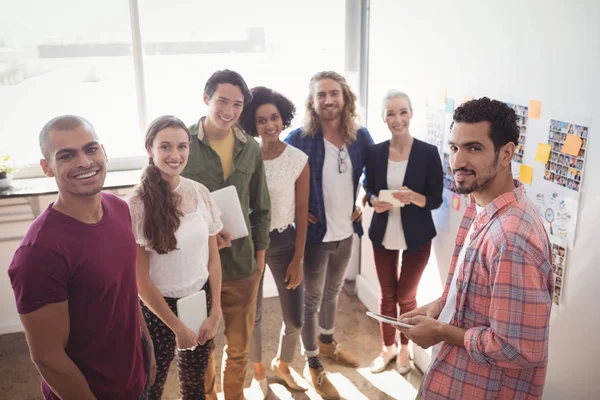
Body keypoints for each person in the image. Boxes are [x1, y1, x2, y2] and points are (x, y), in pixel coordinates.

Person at [396, 98, 554, 399]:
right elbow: (473, 291)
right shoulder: (478, 208)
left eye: (474, 148)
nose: (457, 162)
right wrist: (441, 306)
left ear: (506, 153)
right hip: (454, 375)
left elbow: (519, 349)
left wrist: (442, 331)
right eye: (454, 148)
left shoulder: (511, 239)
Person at [8, 115, 154, 400]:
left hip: (135, 379)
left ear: (104, 151)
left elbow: (125, 290)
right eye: (66, 155)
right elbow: (48, 357)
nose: (85, 162)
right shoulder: (39, 253)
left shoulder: (118, 208)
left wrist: (146, 349)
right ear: (47, 167)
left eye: (90, 149)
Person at [181, 69, 270, 400]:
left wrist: (259, 262)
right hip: (195, 271)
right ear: (206, 98)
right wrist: (203, 235)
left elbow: (261, 208)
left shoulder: (251, 149)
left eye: (237, 104)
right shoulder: (181, 144)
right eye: (222, 101)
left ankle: (235, 395)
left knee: (239, 346)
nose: (230, 111)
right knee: (202, 347)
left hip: (241, 266)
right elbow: (167, 208)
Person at [285, 70, 374, 399]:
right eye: (320, 95)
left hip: (345, 232)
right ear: (312, 101)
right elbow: (280, 178)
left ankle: (327, 343)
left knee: (333, 293)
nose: (327, 100)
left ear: (345, 97)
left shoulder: (359, 136)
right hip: (314, 236)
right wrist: (297, 209)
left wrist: (363, 200)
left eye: (333, 93)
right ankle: (312, 361)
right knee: (311, 300)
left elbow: (370, 173)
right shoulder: (299, 138)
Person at [126, 116, 223, 399]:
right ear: (150, 149)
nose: (175, 155)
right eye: (166, 147)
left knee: (194, 384)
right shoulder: (136, 205)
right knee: (152, 384)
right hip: (158, 309)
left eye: (182, 146)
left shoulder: (200, 192)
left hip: (200, 300)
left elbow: (213, 260)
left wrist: (215, 310)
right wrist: (176, 326)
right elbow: (140, 280)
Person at [363, 90, 443, 374]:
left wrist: (415, 197)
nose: (397, 119)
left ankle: (405, 350)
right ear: (383, 118)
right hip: (383, 233)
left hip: (417, 236)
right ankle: (388, 348)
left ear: (411, 113)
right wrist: (373, 200)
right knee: (387, 296)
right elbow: (368, 186)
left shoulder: (428, 153)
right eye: (391, 114)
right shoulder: (374, 153)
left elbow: (436, 199)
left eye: (402, 112)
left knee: (407, 298)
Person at [238, 86, 310, 393]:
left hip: (285, 244)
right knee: (251, 316)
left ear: (283, 119)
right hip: (250, 245)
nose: (269, 125)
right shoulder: (245, 157)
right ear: (252, 125)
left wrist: (298, 258)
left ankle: (282, 363)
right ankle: (258, 372)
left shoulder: (298, 159)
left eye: (274, 118)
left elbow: (303, 209)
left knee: (295, 318)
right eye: (262, 120)